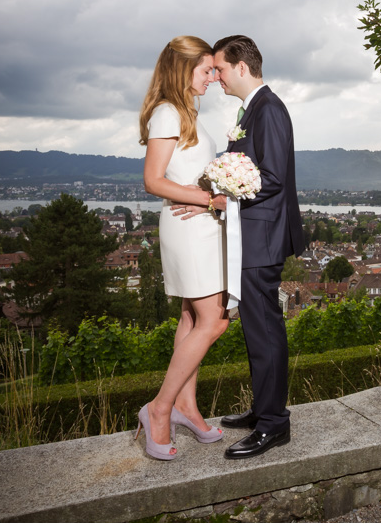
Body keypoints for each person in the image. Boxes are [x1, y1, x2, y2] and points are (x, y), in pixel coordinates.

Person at [209, 34, 305, 459]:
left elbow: (272, 178)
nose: (217, 77)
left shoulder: (269, 110)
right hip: (254, 235)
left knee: (265, 330)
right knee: (255, 329)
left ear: (242, 67)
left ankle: (273, 425)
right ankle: (262, 409)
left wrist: (227, 194)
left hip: (263, 237)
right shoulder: (253, 110)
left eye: (221, 69)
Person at [135, 36, 230, 460]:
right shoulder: (168, 112)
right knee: (215, 319)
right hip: (189, 227)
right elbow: (154, 180)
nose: (213, 76)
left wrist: (215, 190)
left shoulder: (187, 110)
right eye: (206, 69)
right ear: (182, 68)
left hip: (200, 224)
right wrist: (208, 199)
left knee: (193, 317)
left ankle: (187, 407)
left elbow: (187, 174)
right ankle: (159, 409)